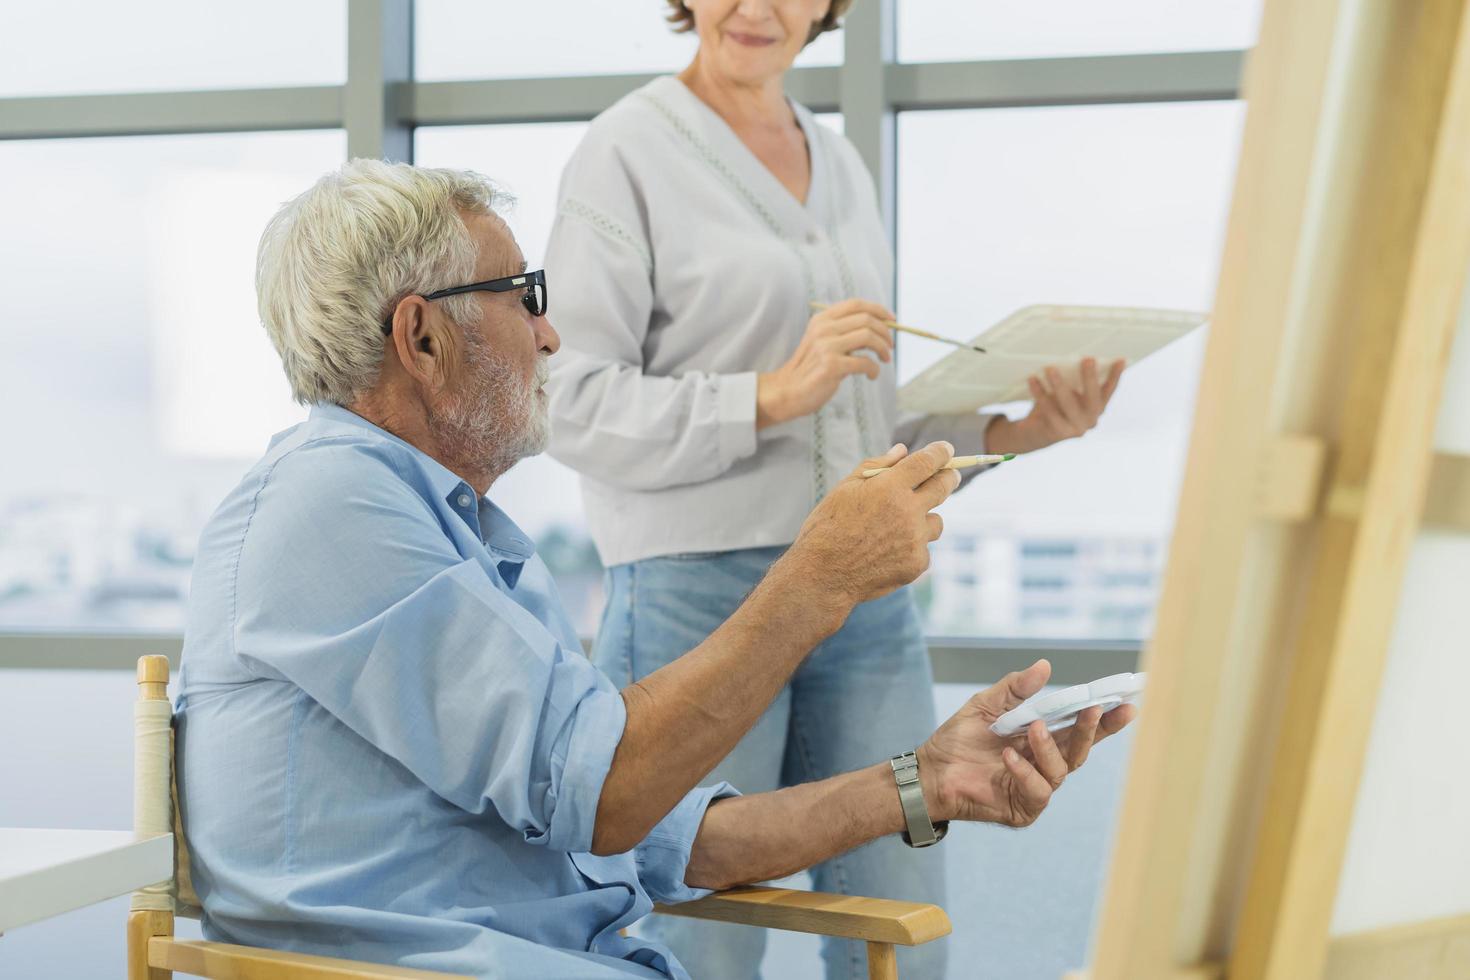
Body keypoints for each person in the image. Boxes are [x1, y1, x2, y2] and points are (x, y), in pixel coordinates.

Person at [175, 160, 1135, 980]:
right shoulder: (327, 507)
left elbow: (658, 831)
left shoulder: (450, 527)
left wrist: (926, 780)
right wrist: (821, 575)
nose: (550, 336)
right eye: (525, 297)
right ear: (421, 337)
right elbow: (606, 794)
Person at [544, 3, 1127, 977]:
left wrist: (1018, 432)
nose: (758, 7)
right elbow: (567, 402)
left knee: (901, 924)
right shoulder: (624, 154)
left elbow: (861, 410)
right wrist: (771, 393)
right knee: (694, 932)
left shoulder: (841, 161)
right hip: (701, 598)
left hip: (867, 596)